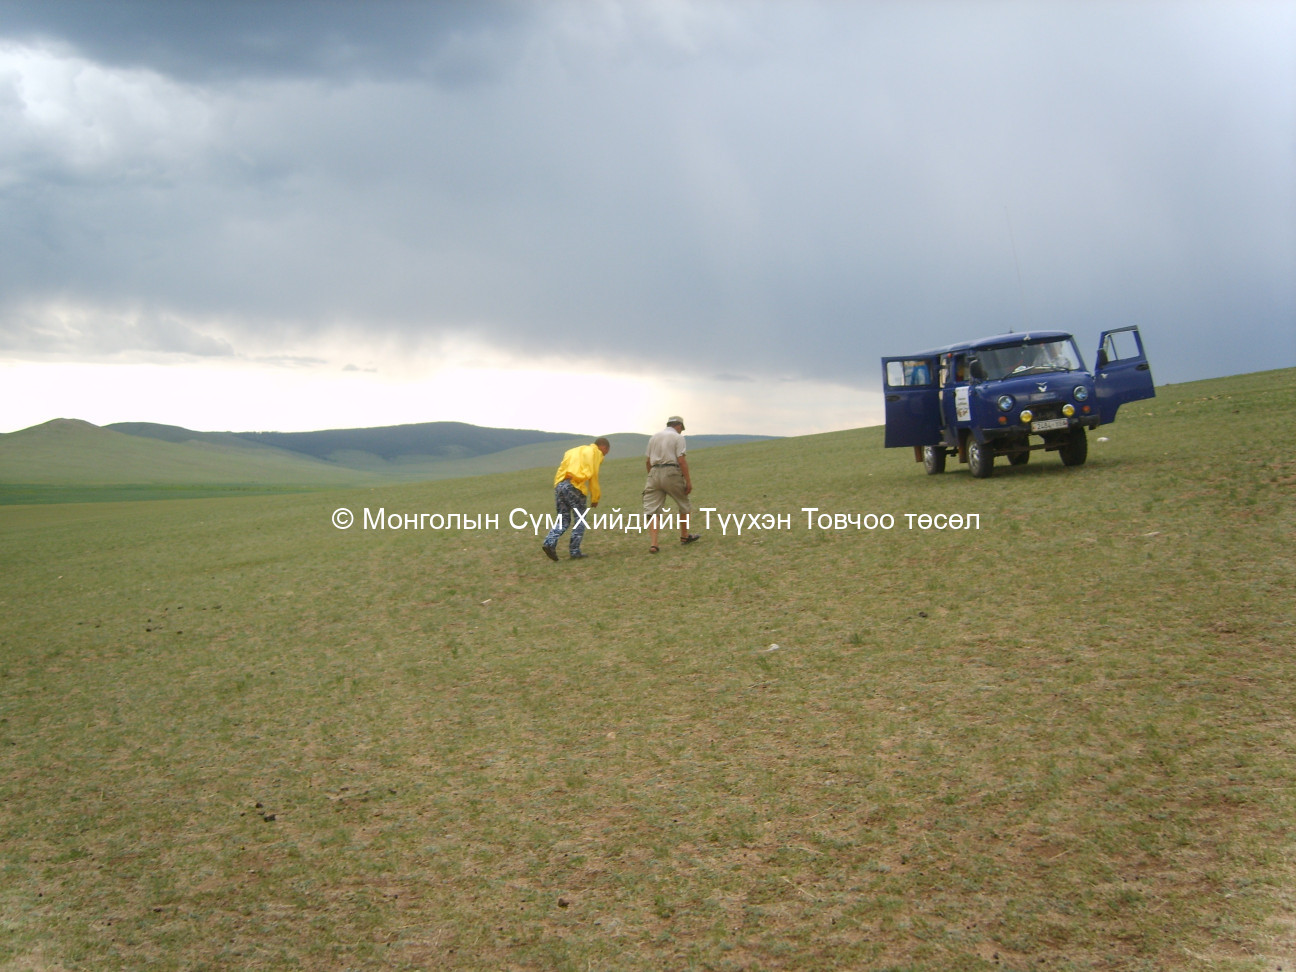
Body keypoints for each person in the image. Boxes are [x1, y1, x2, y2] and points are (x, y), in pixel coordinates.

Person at [542, 437, 610, 561]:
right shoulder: (595, 453)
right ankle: (574, 551)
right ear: (604, 447)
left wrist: (558, 484)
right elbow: (593, 476)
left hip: (560, 485)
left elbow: (562, 469)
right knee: (580, 520)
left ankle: (549, 542)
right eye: (606, 452)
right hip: (575, 487)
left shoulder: (571, 451)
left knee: (564, 519)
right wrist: (595, 497)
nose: (604, 456)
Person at [642, 416, 700, 553]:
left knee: (652, 509)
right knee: (683, 503)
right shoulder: (678, 438)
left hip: (654, 472)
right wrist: (688, 481)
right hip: (672, 471)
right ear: (679, 426)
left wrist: (652, 475)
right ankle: (684, 536)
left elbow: (647, 461)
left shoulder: (654, 437)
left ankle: (654, 544)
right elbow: (681, 460)